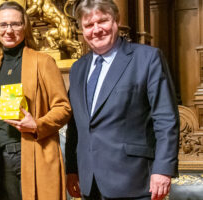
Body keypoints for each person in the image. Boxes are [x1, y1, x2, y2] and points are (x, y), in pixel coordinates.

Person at [65, 0, 179, 200]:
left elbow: (166, 119)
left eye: (103, 21)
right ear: (82, 30)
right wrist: (72, 169)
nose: (96, 30)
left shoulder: (147, 58)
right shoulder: (78, 69)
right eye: (89, 25)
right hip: (89, 183)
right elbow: (76, 125)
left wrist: (163, 169)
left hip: (133, 180)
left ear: (116, 20)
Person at [0, 2, 72, 200]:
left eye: (15, 24)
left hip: (31, 153)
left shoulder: (43, 62)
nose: (9, 30)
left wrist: (37, 124)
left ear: (25, 26)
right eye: (3, 25)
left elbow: (63, 108)